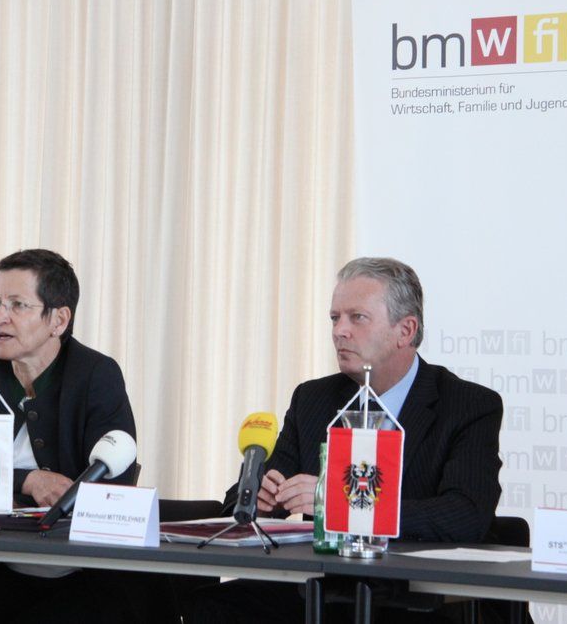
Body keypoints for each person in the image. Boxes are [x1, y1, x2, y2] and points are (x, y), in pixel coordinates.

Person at [188, 257, 504, 623]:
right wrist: (258, 500)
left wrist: (345, 504)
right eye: (335, 318)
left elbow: (465, 514)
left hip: (418, 593)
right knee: (213, 604)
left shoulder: (467, 406)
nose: (340, 331)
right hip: (326, 588)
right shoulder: (313, 400)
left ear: (405, 330)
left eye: (357, 318)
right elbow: (235, 506)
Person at [0, 249, 140, 624]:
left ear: (59, 320)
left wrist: (11, 484)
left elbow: (114, 481)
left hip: (81, 573)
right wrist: (29, 480)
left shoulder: (96, 375)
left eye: (17, 305)